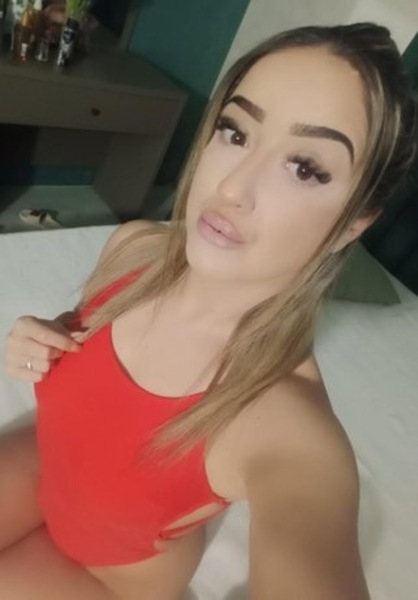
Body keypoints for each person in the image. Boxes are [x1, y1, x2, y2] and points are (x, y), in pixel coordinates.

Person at [2, 22, 416, 600]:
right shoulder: (134, 249)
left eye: (304, 167)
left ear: (355, 223)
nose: (233, 188)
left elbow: (309, 541)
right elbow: (92, 362)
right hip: (45, 463)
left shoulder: (285, 425)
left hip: (109, 574)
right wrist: (47, 340)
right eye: (236, 132)